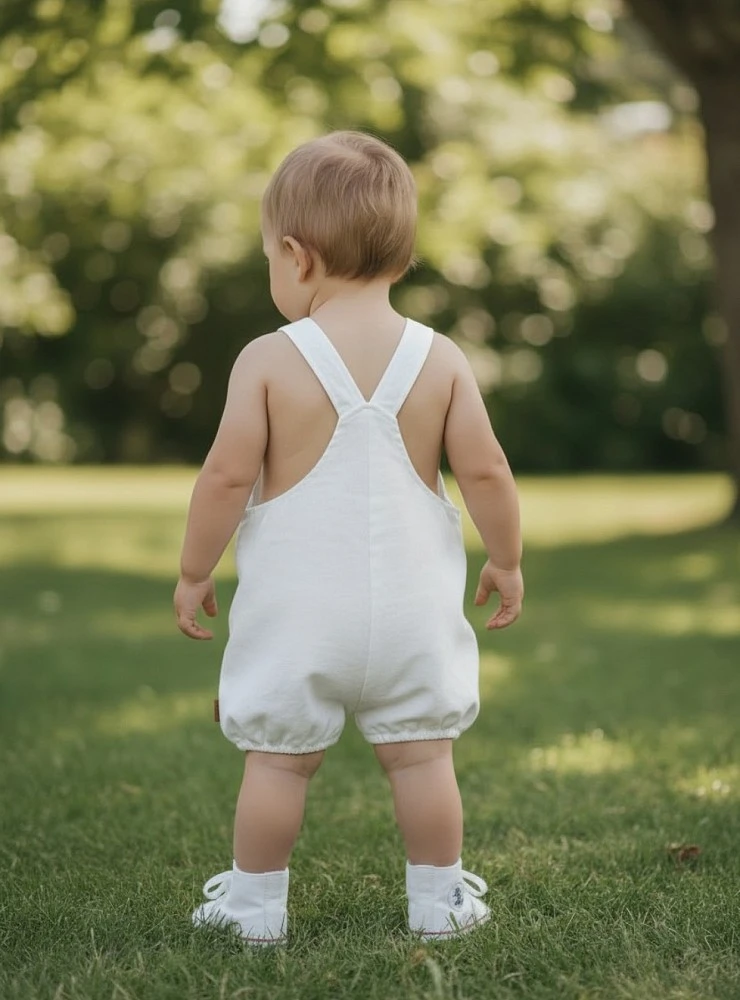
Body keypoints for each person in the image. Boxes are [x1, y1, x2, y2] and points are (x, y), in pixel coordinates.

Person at [174, 130, 523, 946]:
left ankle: (254, 910)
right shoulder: (440, 359)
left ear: (296, 256)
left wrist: (194, 570)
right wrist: (504, 557)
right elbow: (488, 472)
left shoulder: (266, 360)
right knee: (422, 760)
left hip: (298, 621)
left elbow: (225, 479)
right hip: (411, 618)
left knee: (278, 762)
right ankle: (439, 904)